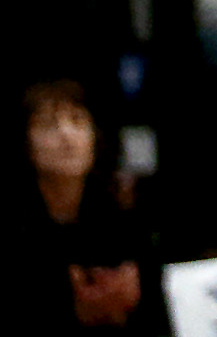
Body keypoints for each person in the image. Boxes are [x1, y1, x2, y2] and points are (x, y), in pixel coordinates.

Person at [5, 80, 167, 334]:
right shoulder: (16, 226)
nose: (66, 135)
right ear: (26, 144)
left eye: (78, 122)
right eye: (48, 125)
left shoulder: (123, 218)